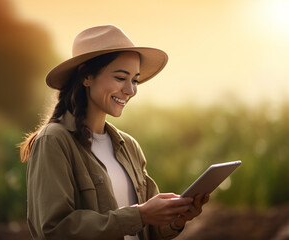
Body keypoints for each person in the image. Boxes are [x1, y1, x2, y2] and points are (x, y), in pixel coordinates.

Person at [20, 25, 209, 240]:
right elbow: (54, 231)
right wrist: (139, 214)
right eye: (121, 78)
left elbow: (149, 228)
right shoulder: (54, 141)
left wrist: (176, 219)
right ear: (87, 77)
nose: (131, 90)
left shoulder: (128, 146)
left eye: (135, 80)